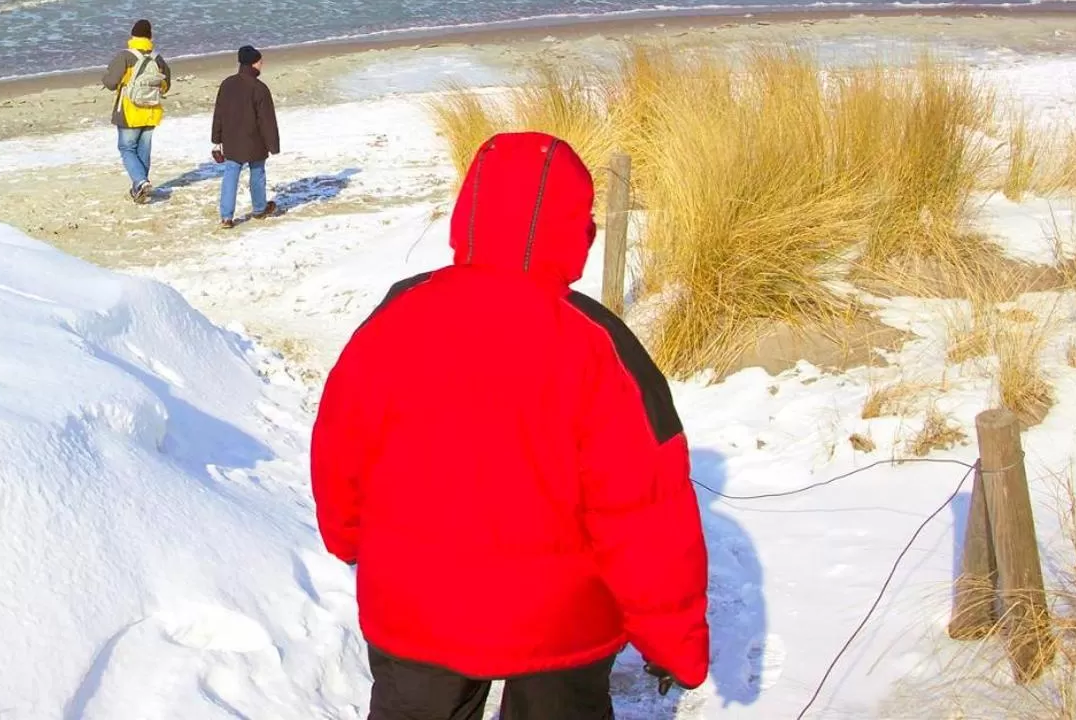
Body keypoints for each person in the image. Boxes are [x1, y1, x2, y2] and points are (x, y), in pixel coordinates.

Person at [311, 132, 709, 720]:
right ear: (576, 227)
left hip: (417, 605)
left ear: (470, 210)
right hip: (560, 623)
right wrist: (675, 640)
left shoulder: (398, 315)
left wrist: (348, 537)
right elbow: (644, 511)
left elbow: (341, 445)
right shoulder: (600, 344)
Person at [101, 19, 172, 203]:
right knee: (143, 151)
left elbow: (111, 83)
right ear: (150, 37)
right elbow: (166, 85)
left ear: (132, 36)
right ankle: (139, 189)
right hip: (152, 111)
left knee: (126, 148)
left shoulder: (125, 56)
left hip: (129, 110)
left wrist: (106, 77)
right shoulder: (157, 58)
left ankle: (141, 182)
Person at [211, 45, 280, 228]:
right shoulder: (259, 88)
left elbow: (219, 114)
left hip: (232, 139)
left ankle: (226, 217)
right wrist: (273, 145)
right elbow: (267, 120)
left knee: (230, 175)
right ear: (253, 64)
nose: (262, 64)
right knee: (257, 173)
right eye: (260, 61)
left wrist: (216, 140)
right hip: (254, 140)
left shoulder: (227, 84)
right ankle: (259, 209)